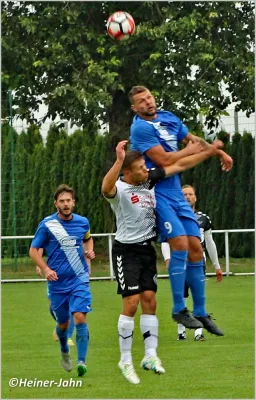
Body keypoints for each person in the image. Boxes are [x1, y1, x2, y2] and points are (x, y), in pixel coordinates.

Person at [101, 139, 221, 384]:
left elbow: (178, 165)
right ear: (127, 171)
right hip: (126, 252)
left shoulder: (149, 180)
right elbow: (105, 188)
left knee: (150, 302)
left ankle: (150, 355)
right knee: (132, 303)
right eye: (140, 167)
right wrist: (118, 159)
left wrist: (208, 151)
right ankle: (125, 360)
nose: (145, 169)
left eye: (146, 166)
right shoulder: (119, 190)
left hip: (147, 250)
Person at [129, 85, 232, 335]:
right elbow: (164, 160)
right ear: (135, 108)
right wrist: (193, 151)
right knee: (181, 245)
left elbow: (194, 140)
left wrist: (217, 151)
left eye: (150, 97)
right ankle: (178, 308)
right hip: (158, 192)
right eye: (142, 101)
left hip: (176, 193)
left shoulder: (169, 117)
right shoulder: (140, 128)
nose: (148, 103)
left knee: (197, 248)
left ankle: (200, 311)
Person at [29, 184, 95, 377]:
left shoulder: (83, 222)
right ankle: (65, 350)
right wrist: (45, 268)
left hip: (79, 279)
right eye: (62, 201)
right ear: (56, 203)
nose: (66, 204)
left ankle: (82, 362)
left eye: (69, 200)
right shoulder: (47, 224)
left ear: (73, 202)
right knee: (63, 324)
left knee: (80, 316)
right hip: (57, 283)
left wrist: (89, 251)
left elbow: (87, 239)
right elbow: (34, 250)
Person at [161, 184, 223, 341]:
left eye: (190, 194)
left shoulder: (203, 219)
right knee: (181, 296)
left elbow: (210, 243)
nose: (188, 197)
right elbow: (165, 241)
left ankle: (198, 332)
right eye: (184, 194)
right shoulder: (171, 217)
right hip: (179, 261)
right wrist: (168, 258)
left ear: (195, 197)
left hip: (197, 263)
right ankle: (181, 333)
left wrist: (217, 266)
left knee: (197, 294)